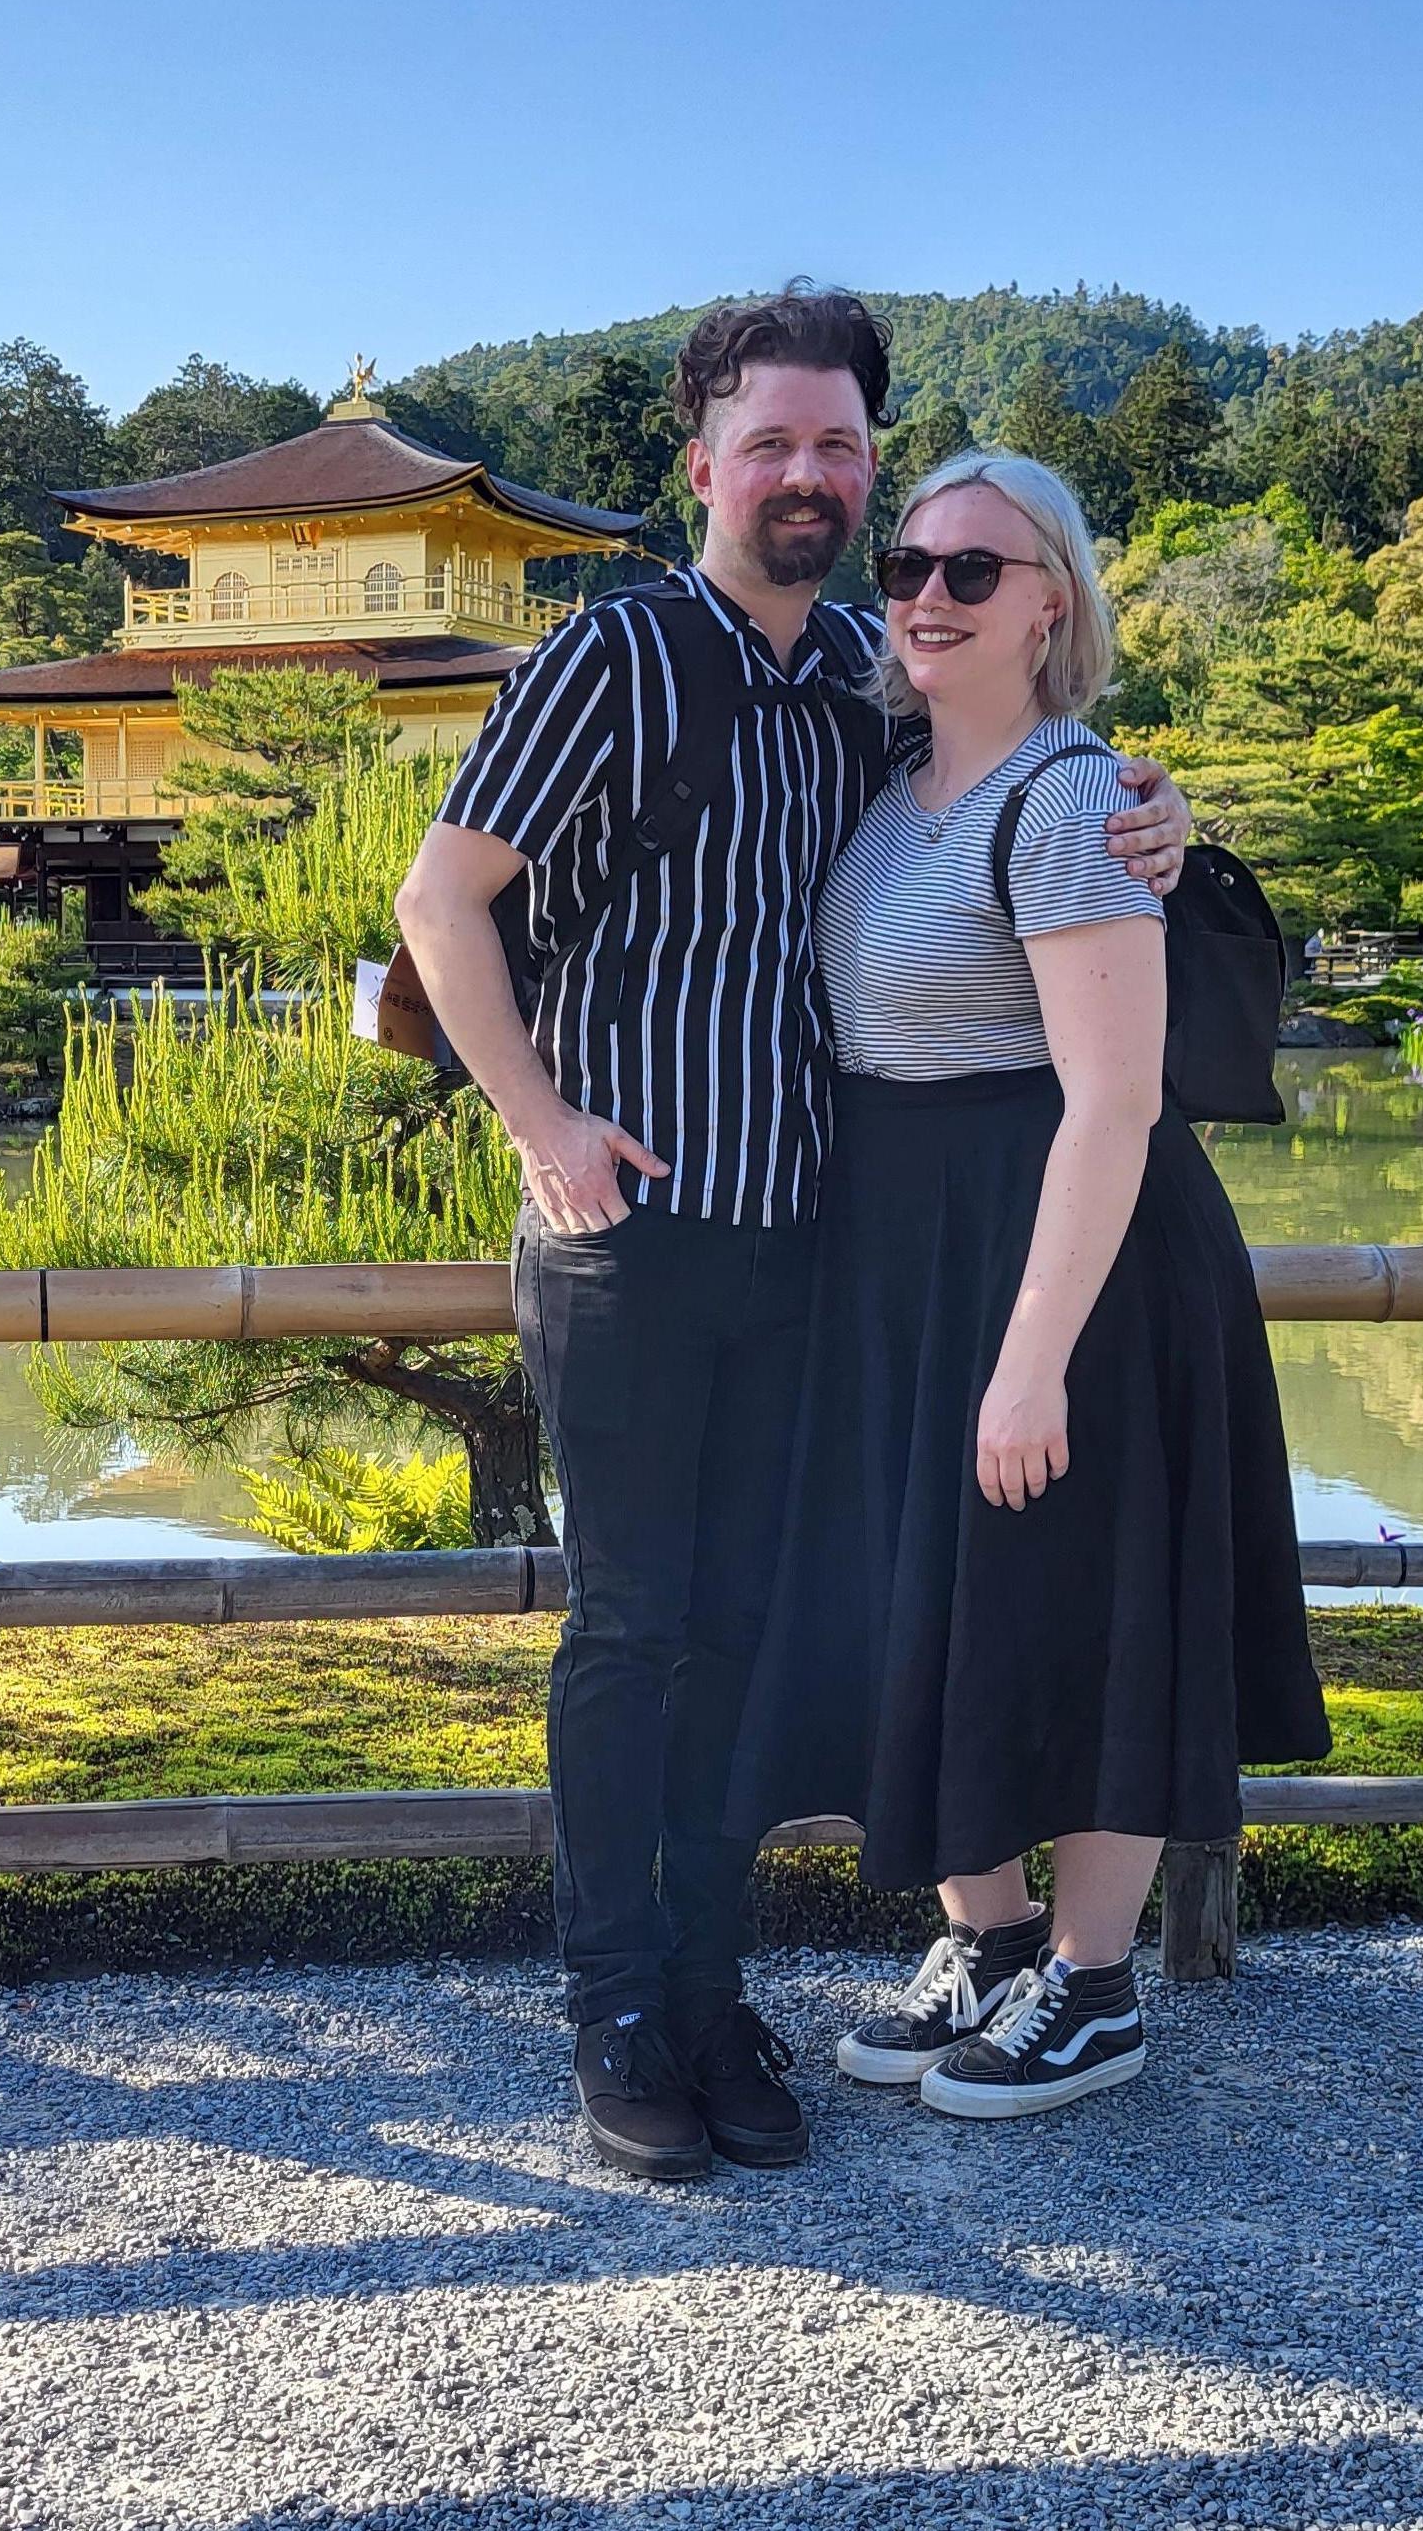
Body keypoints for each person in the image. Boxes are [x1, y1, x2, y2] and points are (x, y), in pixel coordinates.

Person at [393, 294, 1192, 2180]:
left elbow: (1024, 775)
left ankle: (712, 1985)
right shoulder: (608, 655)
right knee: (632, 1630)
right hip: (628, 1235)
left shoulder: (862, 662)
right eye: (773, 446)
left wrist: (1154, 814)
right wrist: (540, 1120)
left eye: (843, 451)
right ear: (701, 465)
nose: (813, 480)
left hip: (811, 1239)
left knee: (748, 1638)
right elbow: (441, 903)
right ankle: (613, 2004)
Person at [729, 449, 1330, 2119]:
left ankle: (1091, 1979)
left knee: (1081, 1591)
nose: (927, 592)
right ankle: (985, 1944)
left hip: (1069, 1247)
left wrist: (1029, 1358)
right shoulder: (888, 772)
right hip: (913, 1245)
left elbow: (1115, 1096)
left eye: (975, 571)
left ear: (1049, 600)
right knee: (933, 1588)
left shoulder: (1069, 802)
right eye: (911, 563)